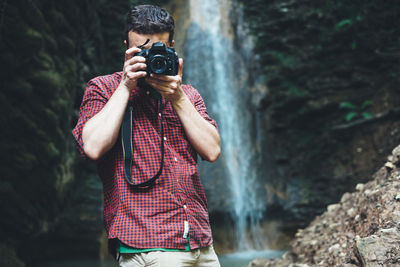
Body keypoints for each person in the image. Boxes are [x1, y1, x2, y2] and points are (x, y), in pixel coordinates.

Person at [72, 4, 221, 267]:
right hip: (148, 243)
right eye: (141, 51)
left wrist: (177, 97)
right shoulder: (103, 88)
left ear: (172, 47)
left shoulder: (188, 95)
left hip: (201, 243)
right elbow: (92, 147)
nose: (150, 58)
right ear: (126, 47)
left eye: (157, 51)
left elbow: (212, 150)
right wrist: (127, 85)